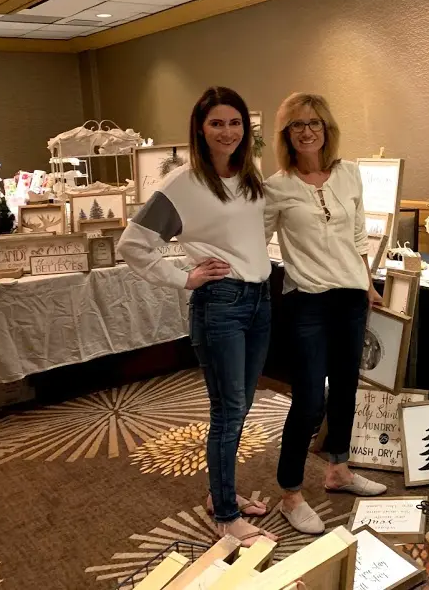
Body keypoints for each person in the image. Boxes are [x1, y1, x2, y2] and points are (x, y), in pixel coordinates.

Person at [118, 87, 277, 547]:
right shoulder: (182, 185)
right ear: (200, 130)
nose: (227, 132)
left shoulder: (250, 175)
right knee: (228, 413)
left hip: (260, 300)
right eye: (216, 123)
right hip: (221, 304)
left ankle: (219, 494)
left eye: (235, 123)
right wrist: (183, 279)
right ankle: (226, 515)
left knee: (241, 407)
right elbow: (132, 245)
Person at [264, 92, 387, 535]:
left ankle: (339, 470)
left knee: (346, 391)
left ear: (327, 128)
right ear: (286, 135)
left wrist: (368, 283)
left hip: (350, 300)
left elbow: (358, 237)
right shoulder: (276, 188)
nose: (307, 131)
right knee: (310, 399)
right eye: (297, 125)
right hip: (307, 303)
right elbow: (254, 241)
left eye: (314, 122)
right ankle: (291, 493)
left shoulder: (349, 174)